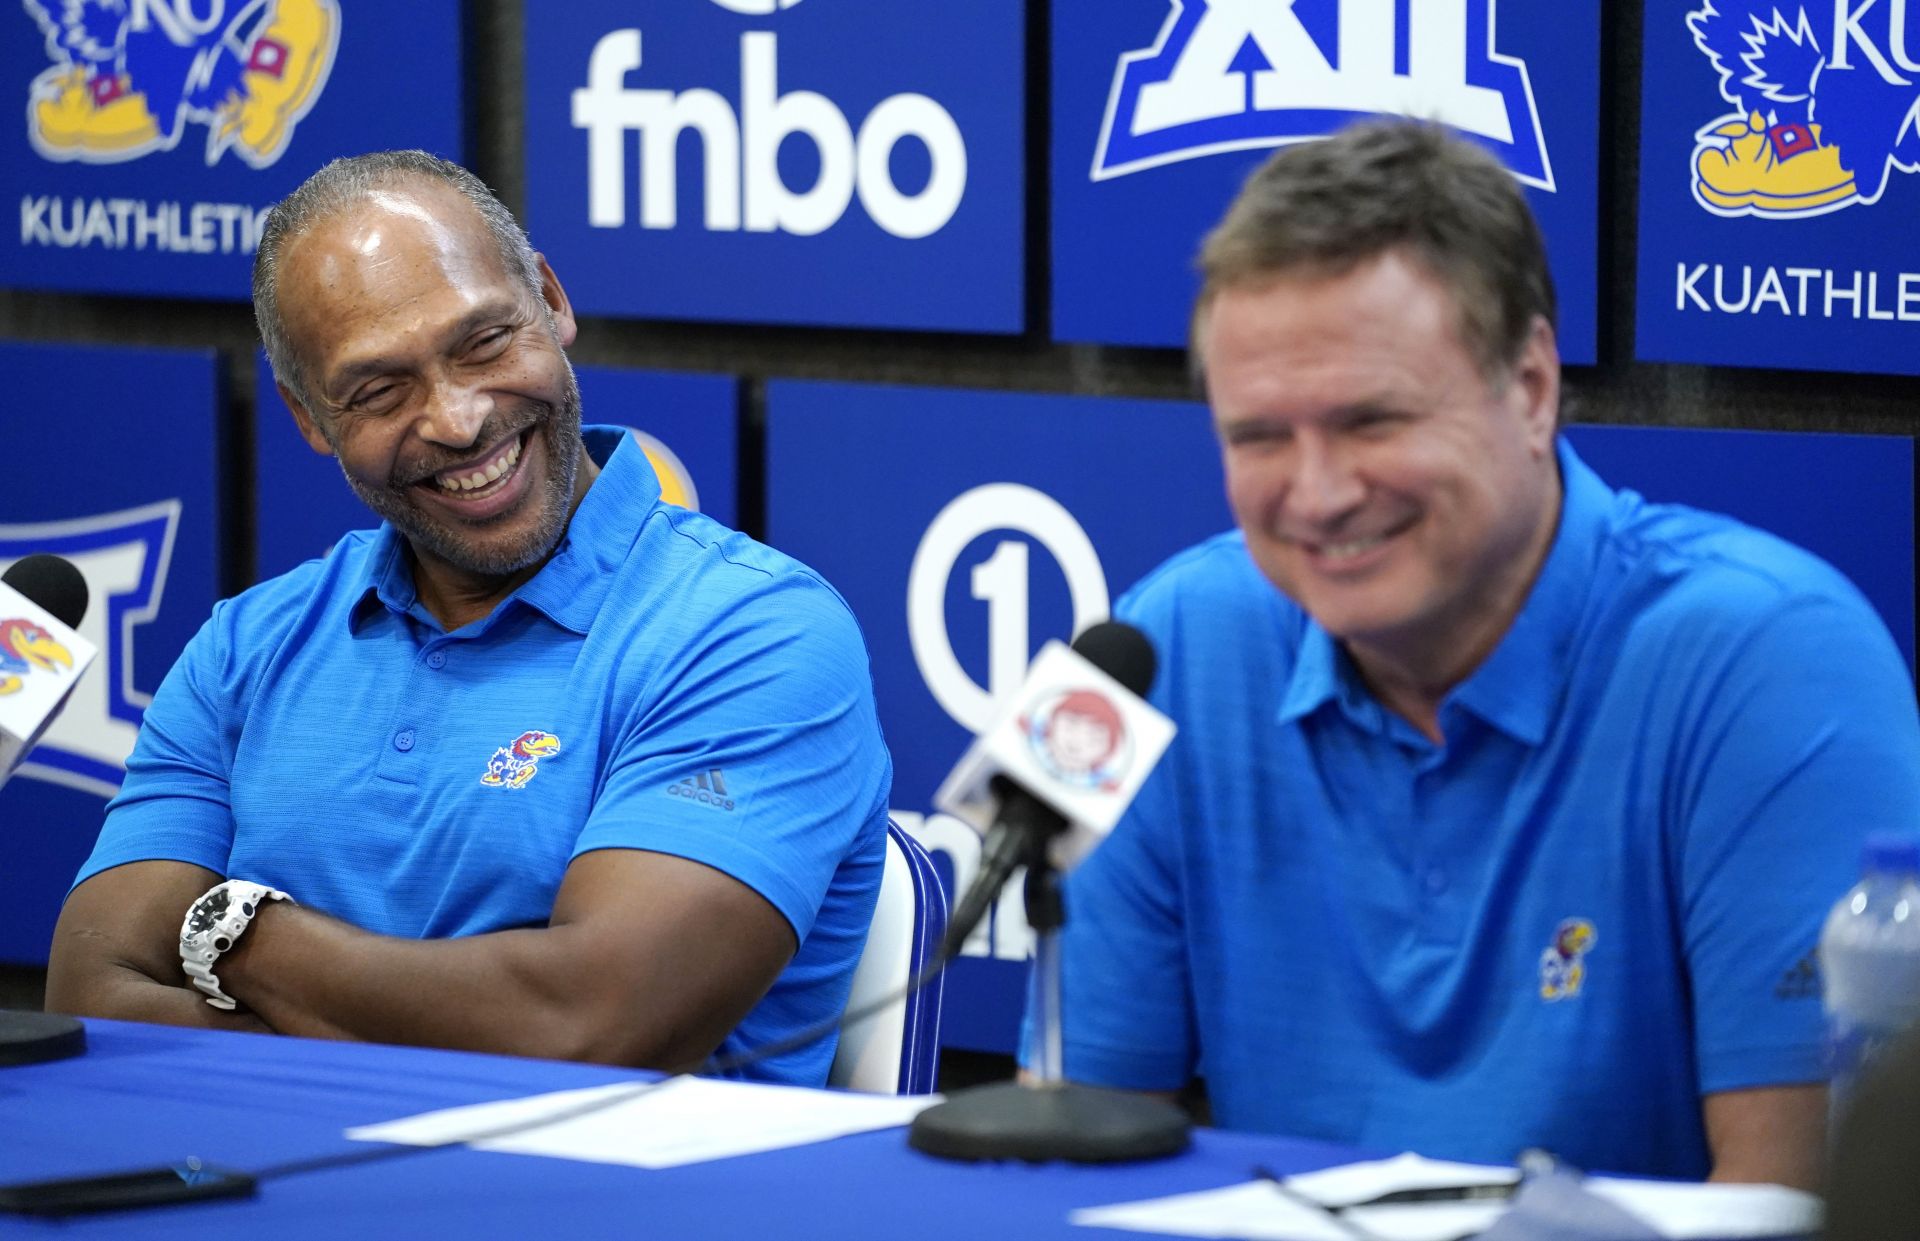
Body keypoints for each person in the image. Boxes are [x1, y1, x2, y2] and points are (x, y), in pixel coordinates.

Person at [1040, 120, 1920, 1185]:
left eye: (1373, 420)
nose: (1315, 493)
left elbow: (1796, 1209)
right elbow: (1082, 1149)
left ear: (1534, 386)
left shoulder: (1776, 661)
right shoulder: (1163, 638)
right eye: (1259, 435)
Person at [44, 151, 893, 1087]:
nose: (455, 419)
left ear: (551, 299)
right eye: (379, 391)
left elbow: (587, 1027)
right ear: (308, 418)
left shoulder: (750, 632)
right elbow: (96, 995)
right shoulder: (245, 648)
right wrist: (420, 1025)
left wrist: (230, 930)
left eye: (483, 342)